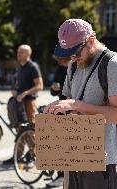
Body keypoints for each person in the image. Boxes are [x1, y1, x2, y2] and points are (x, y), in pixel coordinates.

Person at [44, 18, 117, 189]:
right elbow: (69, 101)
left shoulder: (112, 64)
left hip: (100, 159)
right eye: (69, 53)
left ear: (91, 40)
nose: (73, 58)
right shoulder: (73, 65)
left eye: (76, 52)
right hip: (73, 152)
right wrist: (54, 111)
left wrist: (78, 105)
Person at [3, 44, 43, 164]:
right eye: (18, 52)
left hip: (29, 103)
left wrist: (25, 93)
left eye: (21, 52)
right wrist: (15, 90)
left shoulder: (33, 67)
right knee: (20, 129)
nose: (18, 54)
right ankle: (18, 156)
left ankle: (34, 155)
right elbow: (17, 84)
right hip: (19, 103)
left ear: (28, 54)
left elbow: (39, 86)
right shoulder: (20, 67)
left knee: (30, 129)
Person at [46, 56, 70, 188]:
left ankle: (65, 175)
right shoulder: (59, 70)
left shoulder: (77, 67)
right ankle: (61, 175)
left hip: (74, 110)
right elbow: (52, 92)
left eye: (59, 59)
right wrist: (54, 89)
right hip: (61, 109)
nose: (58, 61)